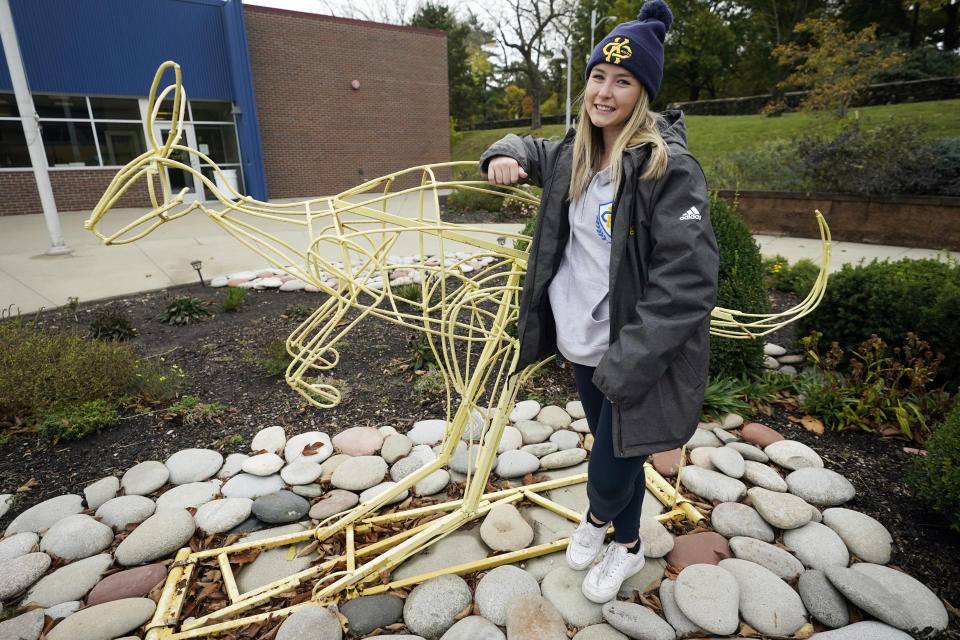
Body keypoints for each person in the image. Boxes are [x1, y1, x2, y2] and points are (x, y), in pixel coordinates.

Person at [480, 0, 719, 603]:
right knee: (627, 451)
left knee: (611, 464)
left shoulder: (670, 168)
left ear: (644, 92)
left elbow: (688, 280)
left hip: (634, 348)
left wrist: (634, 357)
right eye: (597, 77)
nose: (604, 92)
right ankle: (630, 543)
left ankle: (596, 520)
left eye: (622, 80)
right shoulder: (574, 154)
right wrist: (503, 153)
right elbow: (526, 148)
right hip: (581, 340)